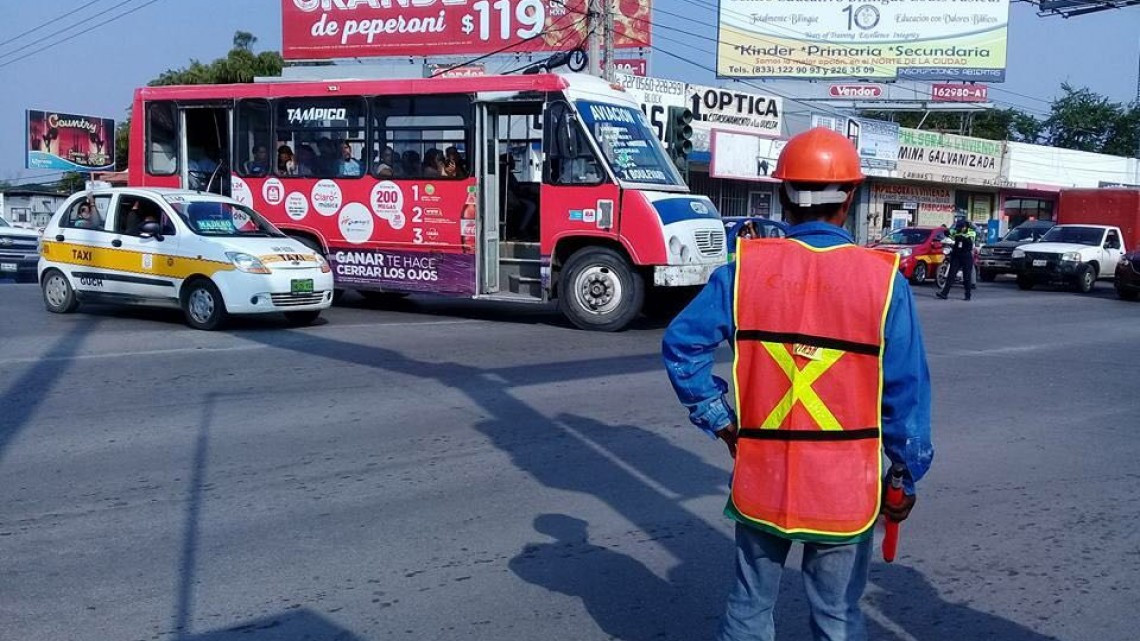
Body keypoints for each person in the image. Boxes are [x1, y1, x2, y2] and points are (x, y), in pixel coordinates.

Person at [662, 127, 932, 641]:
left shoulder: (743, 270)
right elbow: (905, 395)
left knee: (747, 611)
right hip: (845, 491)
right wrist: (904, 475)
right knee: (836, 619)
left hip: (763, 478)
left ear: (783, 193)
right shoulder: (884, 282)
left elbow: (682, 347)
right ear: (850, 195)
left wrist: (721, 422)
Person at [937, 218, 977, 301]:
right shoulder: (957, 230)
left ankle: (967, 295)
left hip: (966, 255)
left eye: (961, 227)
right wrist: (947, 232)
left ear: (965, 227)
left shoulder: (971, 232)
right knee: (951, 275)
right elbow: (949, 233)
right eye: (958, 227)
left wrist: (960, 236)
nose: (959, 229)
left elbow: (970, 240)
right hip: (956, 255)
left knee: (967, 276)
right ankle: (944, 293)